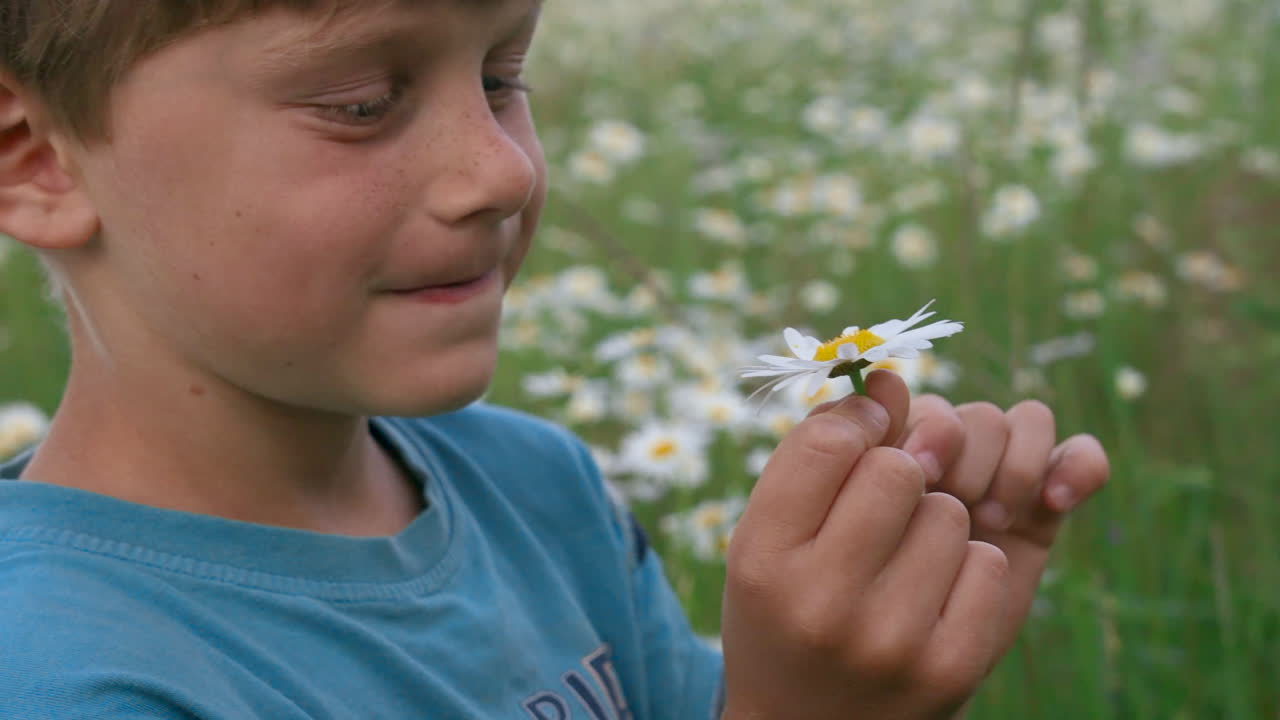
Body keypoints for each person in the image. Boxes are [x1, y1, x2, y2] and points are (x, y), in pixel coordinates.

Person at [0, 1, 1110, 717]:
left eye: (499, 77)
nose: (500, 171)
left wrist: (847, 661)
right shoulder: (65, 679)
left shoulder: (539, 488)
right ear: (38, 162)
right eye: (360, 104)